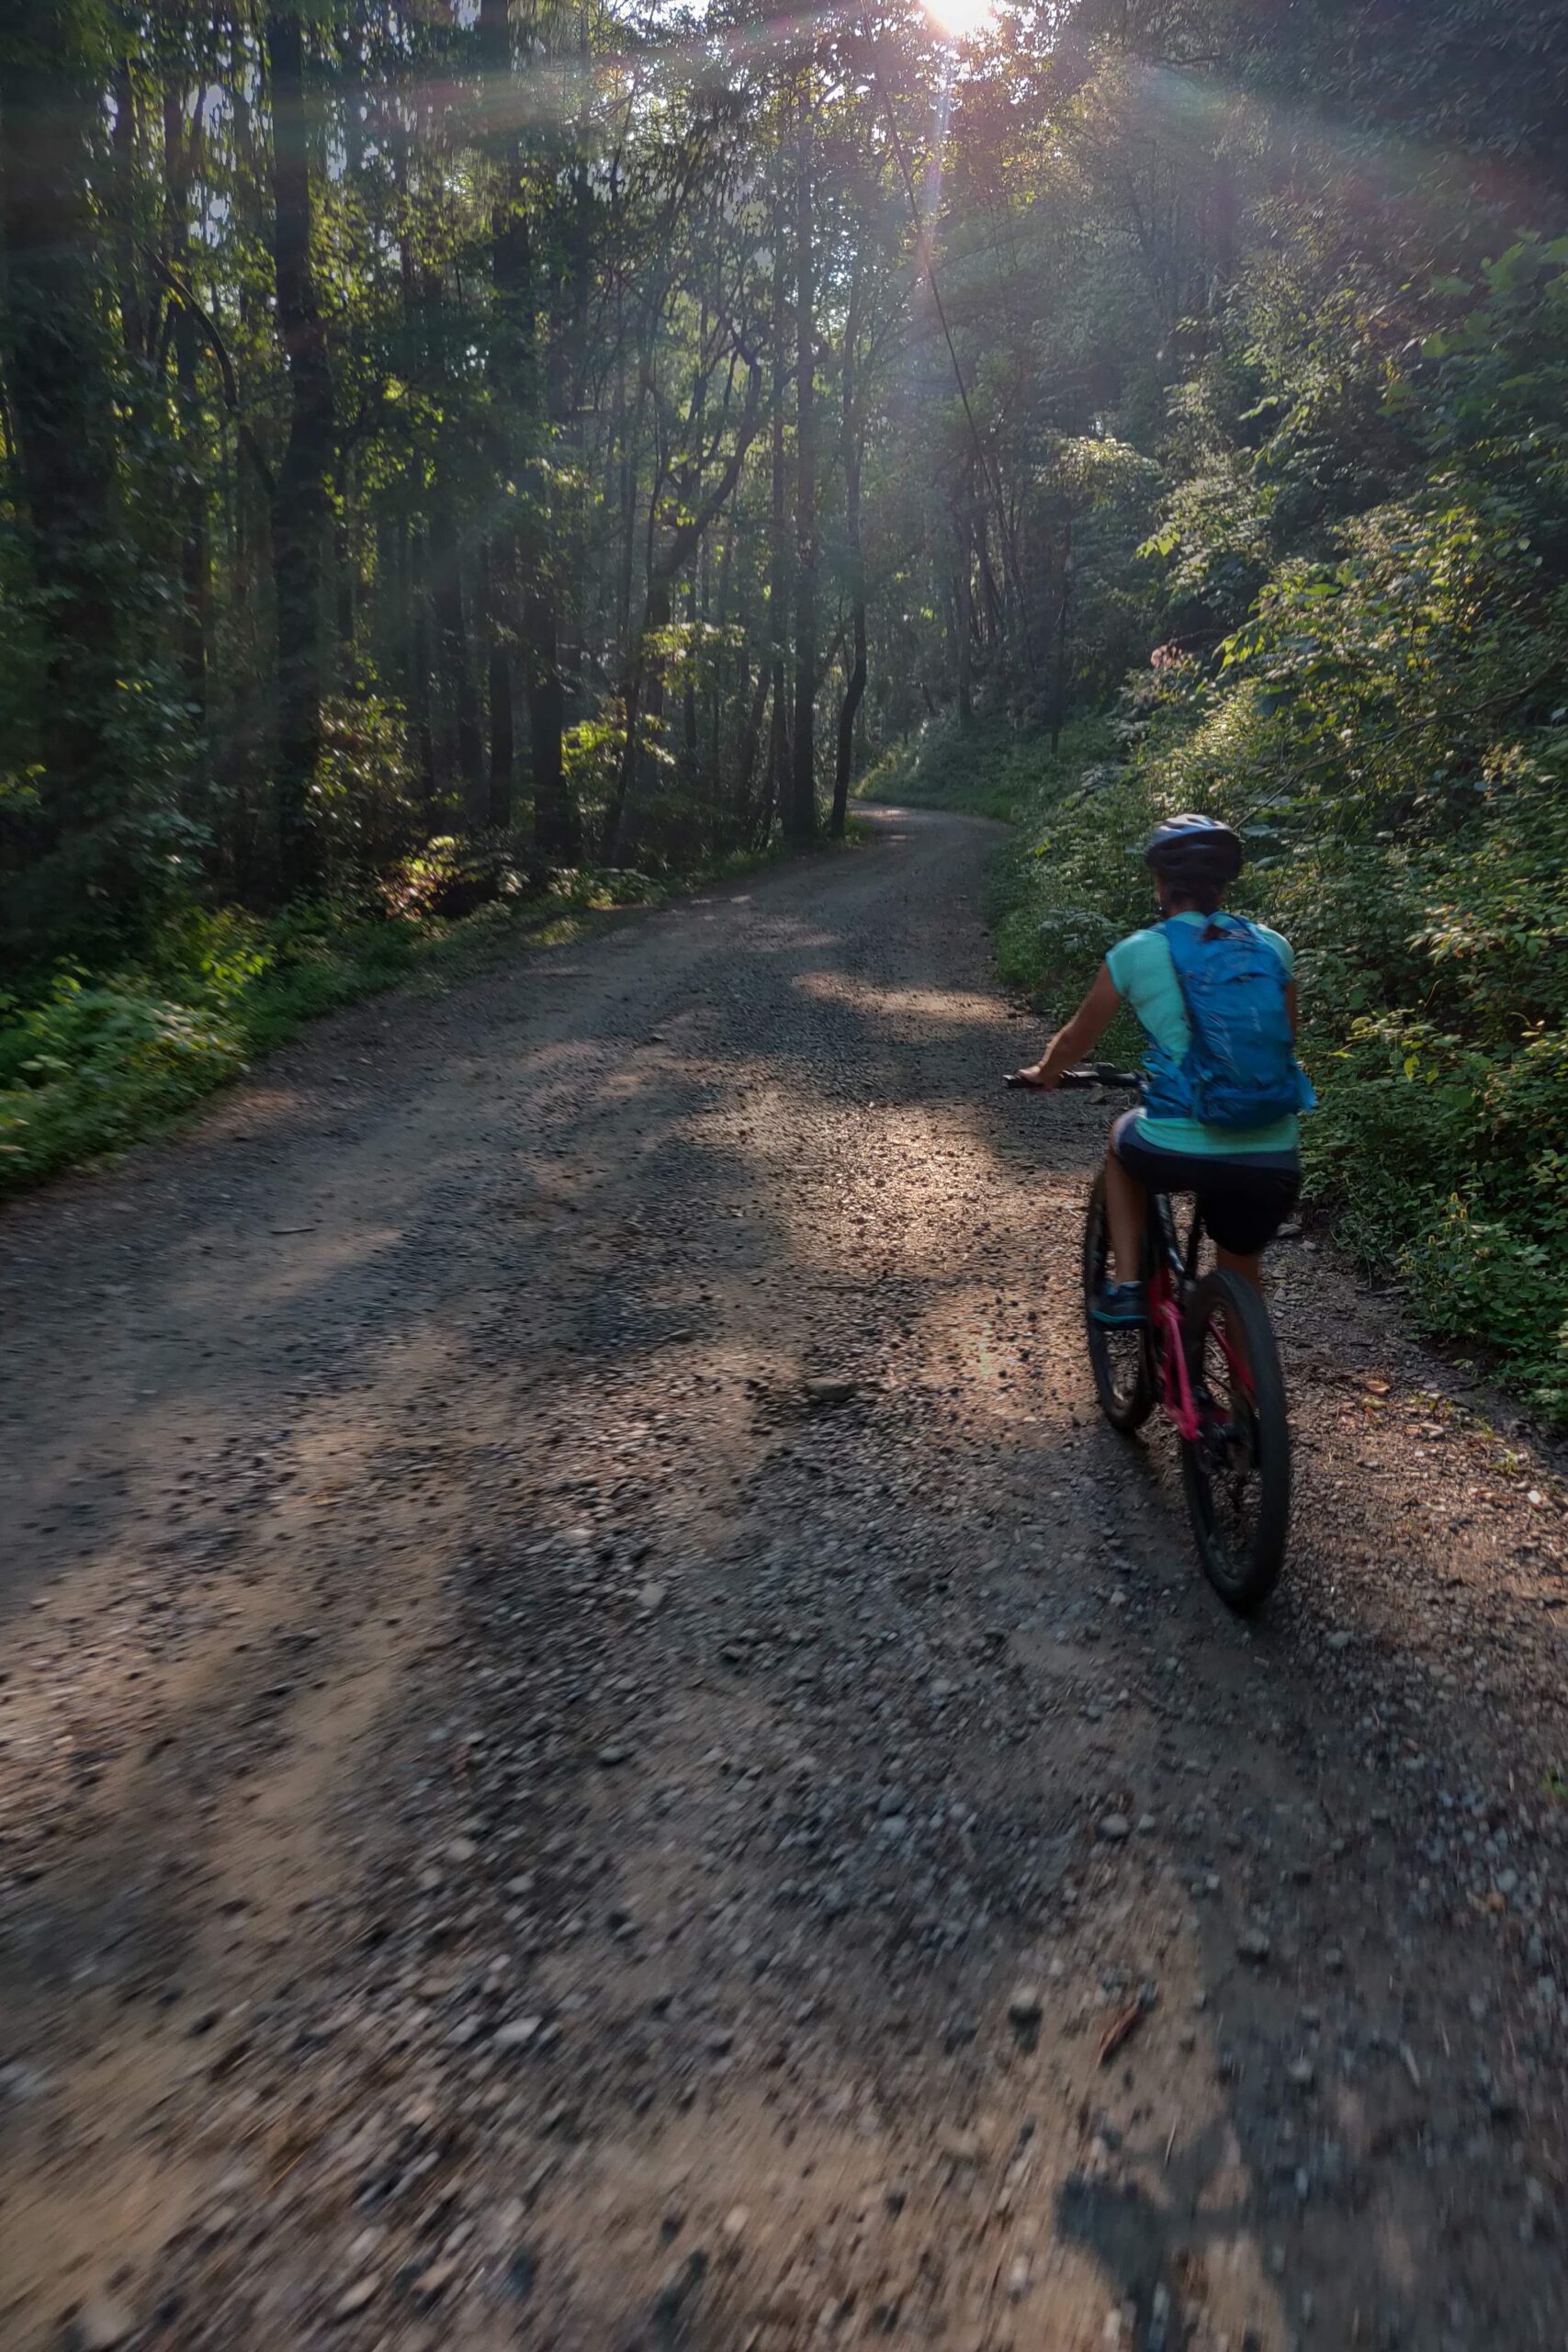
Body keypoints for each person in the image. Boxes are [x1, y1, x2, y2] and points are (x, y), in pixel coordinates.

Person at [1011, 815, 1309, 1324]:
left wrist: (1046, 1071)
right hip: (1273, 1148)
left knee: (1121, 1142)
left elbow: (1077, 1039)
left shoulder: (1137, 952)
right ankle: (1251, 1398)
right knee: (1240, 1267)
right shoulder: (1272, 946)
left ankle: (1128, 1285)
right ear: (1223, 885)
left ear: (1160, 884)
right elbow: (1284, 1037)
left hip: (1176, 1142)